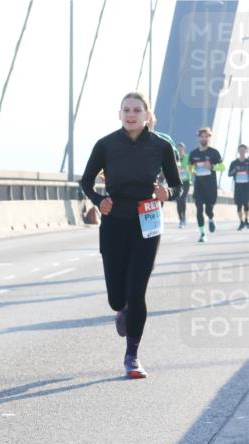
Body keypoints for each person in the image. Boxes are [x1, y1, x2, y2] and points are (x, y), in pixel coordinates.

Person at [79, 92, 180, 379]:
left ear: (147, 115)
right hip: (114, 222)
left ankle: (132, 357)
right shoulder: (106, 144)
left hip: (146, 223)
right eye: (126, 110)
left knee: (137, 292)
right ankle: (121, 308)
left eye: (137, 110)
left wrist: (168, 193)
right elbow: (86, 181)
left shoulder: (161, 146)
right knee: (117, 298)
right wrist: (99, 201)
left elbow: (177, 185)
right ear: (119, 114)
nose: (131, 115)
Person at [188, 128, 224, 242]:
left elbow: (222, 167)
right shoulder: (193, 154)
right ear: (198, 138)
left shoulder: (214, 152)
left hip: (211, 187)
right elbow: (189, 167)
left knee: (208, 210)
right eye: (202, 136)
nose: (204, 138)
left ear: (209, 138)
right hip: (199, 186)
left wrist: (212, 166)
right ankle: (202, 234)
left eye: (206, 136)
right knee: (199, 209)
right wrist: (192, 171)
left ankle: (211, 218)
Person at [228, 144, 249, 230]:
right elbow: (229, 174)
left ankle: (246, 220)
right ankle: (241, 222)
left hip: (246, 186)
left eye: (243, 150)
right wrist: (235, 170)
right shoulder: (234, 163)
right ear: (238, 151)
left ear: (246, 151)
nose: (242, 152)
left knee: (246, 204)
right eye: (240, 150)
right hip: (238, 186)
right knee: (239, 205)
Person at [176, 142, 191, 229]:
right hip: (177, 182)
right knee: (178, 200)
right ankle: (180, 219)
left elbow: (191, 168)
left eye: (181, 148)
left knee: (182, 198)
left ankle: (184, 217)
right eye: (179, 148)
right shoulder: (175, 157)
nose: (180, 149)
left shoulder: (187, 157)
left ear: (184, 149)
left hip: (186, 181)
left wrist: (188, 171)